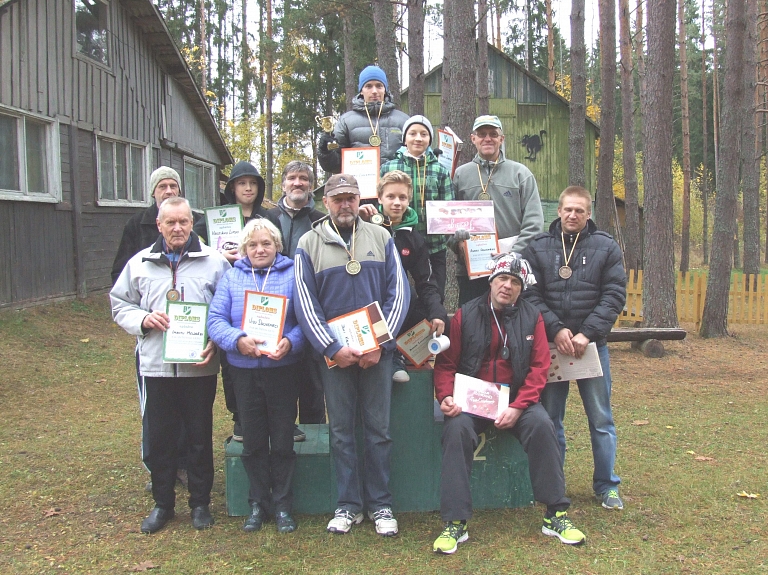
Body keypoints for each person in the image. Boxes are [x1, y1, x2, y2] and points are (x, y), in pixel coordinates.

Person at [432, 254, 586, 554]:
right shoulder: (465, 314)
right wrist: (445, 396)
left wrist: (519, 405)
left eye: (515, 282)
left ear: (521, 288)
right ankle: (455, 522)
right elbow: (446, 364)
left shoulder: (533, 317)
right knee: (456, 431)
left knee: (543, 425)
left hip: (516, 400)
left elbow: (540, 367)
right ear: (491, 282)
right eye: (502, 279)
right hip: (472, 401)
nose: (507, 286)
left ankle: (555, 513)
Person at [294, 173, 409, 536]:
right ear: (325, 202)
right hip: (336, 356)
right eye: (338, 198)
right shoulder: (308, 243)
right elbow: (304, 301)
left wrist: (380, 344)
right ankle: (347, 505)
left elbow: (400, 293)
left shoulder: (381, 236)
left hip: (378, 353)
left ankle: (381, 504)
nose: (345, 204)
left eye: (351, 198)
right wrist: (332, 347)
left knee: (379, 430)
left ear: (360, 200)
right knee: (342, 432)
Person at [110, 197, 230, 534]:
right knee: (160, 437)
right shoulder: (140, 264)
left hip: (199, 367)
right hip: (156, 366)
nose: (177, 228)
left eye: (183, 222)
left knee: (198, 435)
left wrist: (216, 340)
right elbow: (119, 304)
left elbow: (230, 307)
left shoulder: (215, 262)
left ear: (192, 223)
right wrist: (145, 318)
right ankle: (163, 504)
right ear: (159, 225)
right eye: (170, 223)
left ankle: (200, 503)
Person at [522, 186, 627, 511]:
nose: (572, 215)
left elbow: (614, 294)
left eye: (579, 211)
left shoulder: (606, 247)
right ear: (559, 210)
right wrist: (557, 329)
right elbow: (529, 293)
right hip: (552, 348)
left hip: (591, 347)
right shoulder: (538, 247)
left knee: (601, 419)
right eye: (568, 209)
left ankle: (607, 486)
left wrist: (586, 334)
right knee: (551, 420)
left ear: (588, 213)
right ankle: (554, 485)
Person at [207, 218, 306, 534]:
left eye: (266, 243)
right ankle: (257, 503)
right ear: (244, 249)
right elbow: (215, 319)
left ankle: (283, 506)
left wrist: (291, 341)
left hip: (282, 371)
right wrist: (237, 340)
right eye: (252, 244)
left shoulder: (293, 274)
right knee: (251, 443)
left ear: (277, 246)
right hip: (244, 372)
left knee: (282, 442)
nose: (259, 249)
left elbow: (306, 319)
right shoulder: (232, 278)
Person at [110, 166, 197, 488]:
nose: (169, 190)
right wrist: (144, 318)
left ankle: (187, 464)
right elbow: (120, 290)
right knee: (156, 413)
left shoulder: (199, 241)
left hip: (191, 341)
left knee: (192, 412)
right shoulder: (137, 230)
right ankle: (158, 469)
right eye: (163, 186)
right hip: (154, 343)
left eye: (174, 185)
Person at [194, 161, 279, 442]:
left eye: (253, 183)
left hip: (264, 295)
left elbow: (278, 249)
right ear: (232, 187)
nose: (248, 188)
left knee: (268, 356)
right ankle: (239, 417)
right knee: (232, 360)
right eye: (242, 183)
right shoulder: (217, 217)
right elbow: (195, 242)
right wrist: (219, 254)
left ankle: (276, 419)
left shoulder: (269, 217)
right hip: (228, 292)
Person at [449, 115, 544, 305]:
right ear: (473, 138)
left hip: (511, 270)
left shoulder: (520, 173)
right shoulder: (460, 175)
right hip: (473, 269)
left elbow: (534, 222)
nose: (487, 138)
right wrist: (456, 243)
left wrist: (515, 254)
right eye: (482, 134)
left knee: (511, 326)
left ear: (502, 139)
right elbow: (449, 220)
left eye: (493, 134)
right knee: (473, 326)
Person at [267, 161, 327, 441]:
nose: (298, 183)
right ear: (283, 184)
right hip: (276, 310)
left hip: (314, 307)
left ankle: (315, 437)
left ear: (311, 185)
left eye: (304, 178)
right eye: (292, 178)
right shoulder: (267, 218)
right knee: (282, 375)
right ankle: (282, 433)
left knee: (314, 378)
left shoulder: (321, 220)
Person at [373, 170, 448, 383]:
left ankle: (399, 354)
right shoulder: (366, 226)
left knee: (418, 300)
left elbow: (426, 280)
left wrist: (438, 313)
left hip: (398, 302)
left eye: (402, 197)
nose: (397, 203)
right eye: (390, 197)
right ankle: (384, 355)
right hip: (368, 298)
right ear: (380, 198)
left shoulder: (414, 238)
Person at [380, 115, 454, 298]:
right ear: (405, 138)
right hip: (397, 244)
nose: (418, 138)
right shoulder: (389, 168)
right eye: (412, 133)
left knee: (435, 296)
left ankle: (433, 324)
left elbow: (449, 207)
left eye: (424, 134)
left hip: (433, 246)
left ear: (430, 139)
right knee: (397, 295)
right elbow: (380, 204)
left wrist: (454, 230)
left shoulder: (440, 171)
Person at [318, 66, 409, 175]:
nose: (374, 91)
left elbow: (414, 157)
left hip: (395, 189)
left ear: (385, 90)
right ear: (361, 90)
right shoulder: (346, 121)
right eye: (368, 86)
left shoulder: (403, 120)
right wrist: (325, 151)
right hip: (360, 189)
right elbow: (334, 166)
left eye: (379, 86)